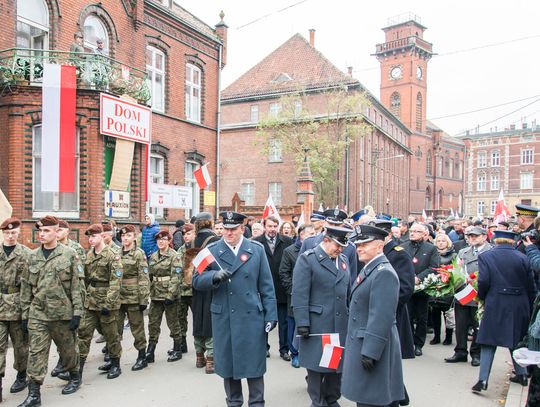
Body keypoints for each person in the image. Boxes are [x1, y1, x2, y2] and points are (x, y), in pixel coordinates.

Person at [192, 211, 277, 407]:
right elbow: (195, 280)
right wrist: (213, 277)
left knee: (254, 365)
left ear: (242, 229)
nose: (229, 233)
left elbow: (266, 286)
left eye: (233, 229)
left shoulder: (256, 249)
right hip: (225, 318)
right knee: (229, 367)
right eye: (226, 229)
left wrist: (271, 315)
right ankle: (234, 402)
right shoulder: (211, 250)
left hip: (251, 317)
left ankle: (257, 403)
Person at [19, 216, 83, 406]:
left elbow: (76, 286)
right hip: (38, 313)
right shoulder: (32, 256)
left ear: (56, 232)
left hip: (63, 313)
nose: (42, 234)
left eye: (47, 231)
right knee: (36, 353)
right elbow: (25, 287)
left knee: (68, 350)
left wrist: (77, 312)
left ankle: (74, 376)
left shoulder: (69, 254)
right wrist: (25, 314)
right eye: (41, 231)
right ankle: (34, 394)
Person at [342, 224, 404, 407]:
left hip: (372, 347)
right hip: (363, 343)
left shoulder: (383, 273)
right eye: (358, 245)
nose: (359, 249)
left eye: (365, 245)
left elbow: (381, 317)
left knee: (373, 398)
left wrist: (370, 351)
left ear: (379, 246)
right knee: (367, 397)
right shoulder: (371, 268)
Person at [292, 225, 351, 407]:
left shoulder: (343, 260)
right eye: (337, 245)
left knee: (335, 366)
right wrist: (302, 322)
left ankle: (332, 399)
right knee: (317, 367)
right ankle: (318, 402)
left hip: (339, 322)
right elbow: (300, 293)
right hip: (318, 323)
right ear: (326, 241)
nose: (340, 249)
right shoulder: (308, 260)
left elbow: (347, 292)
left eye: (343, 246)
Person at [472, 230, 535, 392]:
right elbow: (531, 286)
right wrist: (528, 305)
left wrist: (482, 298)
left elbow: (484, 281)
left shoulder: (486, 256)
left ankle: (483, 380)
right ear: (513, 241)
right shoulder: (523, 258)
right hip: (519, 303)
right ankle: (521, 375)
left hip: (495, 302)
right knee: (515, 340)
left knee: (488, 341)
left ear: (495, 240)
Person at [371, 219, 415, 406]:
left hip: (393, 314)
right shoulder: (374, 253)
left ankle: (396, 396)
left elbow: (406, 288)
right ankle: (398, 394)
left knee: (390, 359)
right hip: (377, 313)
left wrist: (386, 306)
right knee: (385, 360)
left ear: (387, 236)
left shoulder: (399, 254)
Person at [78, 224, 124, 381]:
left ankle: (115, 363)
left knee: (111, 334)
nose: (91, 240)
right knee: (83, 333)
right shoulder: (89, 255)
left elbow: (116, 281)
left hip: (106, 302)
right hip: (90, 302)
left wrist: (108, 304)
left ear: (102, 236)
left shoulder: (112, 255)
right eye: (89, 237)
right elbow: (85, 279)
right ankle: (77, 370)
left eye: (94, 236)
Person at [445, 226, 491, 366]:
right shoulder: (463, 252)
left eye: (475, 236)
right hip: (463, 293)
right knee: (460, 325)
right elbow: (456, 269)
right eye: (470, 236)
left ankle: (476, 353)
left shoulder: (491, 251)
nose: (472, 238)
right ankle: (460, 351)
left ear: (484, 236)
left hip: (480, 294)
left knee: (478, 326)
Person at [254, 216, 293, 360]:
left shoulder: (287, 241)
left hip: (282, 288)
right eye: (270, 226)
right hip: (263, 289)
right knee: (263, 320)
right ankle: (263, 348)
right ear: (264, 226)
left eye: (275, 226)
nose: (272, 229)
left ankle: (284, 349)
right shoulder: (257, 243)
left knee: (283, 322)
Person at [278, 223, 315, 368]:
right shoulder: (290, 251)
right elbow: (284, 273)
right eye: (310, 234)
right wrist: (293, 290)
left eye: (314, 234)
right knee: (293, 324)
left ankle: (307, 353)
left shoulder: (317, 251)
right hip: (294, 295)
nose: (313, 237)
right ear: (302, 235)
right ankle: (294, 353)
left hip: (312, 296)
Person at [0, 218, 30, 398]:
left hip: (19, 306)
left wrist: (28, 313)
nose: (10, 236)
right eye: (6, 233)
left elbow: (31, 285)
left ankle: (21, 374)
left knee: (21, 347)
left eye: (13, 233)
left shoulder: (27, 254)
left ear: (19, 233)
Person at [113, 225, 149, 371]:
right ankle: (114, 359)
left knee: (137, 328)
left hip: (134, 296)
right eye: (122, 236)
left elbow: (144, 277)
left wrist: (143, 299)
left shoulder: (139, 254)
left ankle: (142, 356)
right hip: (118, 296)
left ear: (134, 237)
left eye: (128, 236)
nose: (125, 239)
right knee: (115, 329)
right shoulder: (116, 253)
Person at [402, 223, 440, 356]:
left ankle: (418, 344)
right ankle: (408, 342)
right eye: (411, 231)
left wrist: (419, 278)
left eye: (417, 231)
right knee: (407, 315)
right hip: (406, 287)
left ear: (424, 234)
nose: (412, 233)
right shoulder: (402, 246)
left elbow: (434, 267)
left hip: (422, 289)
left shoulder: (431, 249)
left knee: (421, 317)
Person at [145, 230, 182, 363]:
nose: (161, 242)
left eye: (164, 239)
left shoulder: (174, 256)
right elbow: (149, 276)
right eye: (159, 240)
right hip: (155, 295)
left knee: (173, 322)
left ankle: (177, 348)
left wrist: (170, 295)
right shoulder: (153, 256)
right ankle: (150, 351)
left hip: (169, 296)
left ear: (169, 241)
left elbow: (176, 277)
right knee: (153, 323)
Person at [190, 213, 220, 373]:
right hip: (209, 282)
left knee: (198, 319)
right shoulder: (215, 240)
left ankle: (199, 356)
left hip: (195, 283)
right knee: (209, 320)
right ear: (210, 223)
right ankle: (211, 360)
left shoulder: (193, 241)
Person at [430, 234, 456, 346]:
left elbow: (456, 269)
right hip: (434, 286)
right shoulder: (432, 253)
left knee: (448, 313)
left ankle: (448, 337)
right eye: (439, 241)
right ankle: (436, 336)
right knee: (435, 312)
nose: (440, 243)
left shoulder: (454, 255)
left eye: (443, 241)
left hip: (447, 286)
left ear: (447, 243)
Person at [175, 223, 195, 356]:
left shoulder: (199, 249)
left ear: (194, 234)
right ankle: (182, 343)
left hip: (195, 291)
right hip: (182, 291)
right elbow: (176, 271)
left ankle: (202, 346)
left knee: (199, 318)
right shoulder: (180, 251)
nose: (185, 236)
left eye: (188, 234)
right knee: (180, 318)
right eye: (184, 234)